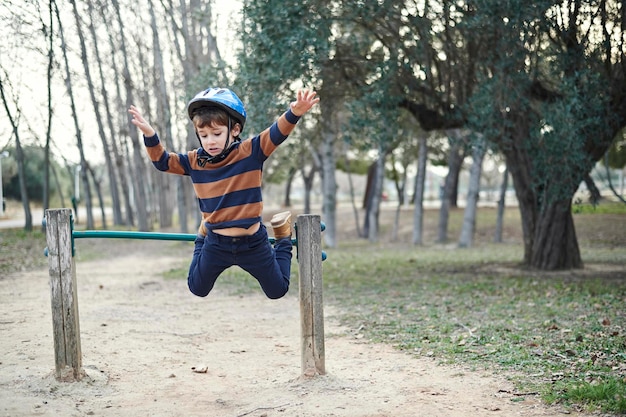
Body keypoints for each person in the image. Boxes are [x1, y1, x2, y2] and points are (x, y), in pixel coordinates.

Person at [129, 88, 319, 299]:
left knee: (278, 290)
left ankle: (282, 236)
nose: (210, 141)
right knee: (197, 288)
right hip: (216, 242)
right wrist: (150, 135)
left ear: (235, 129)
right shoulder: (195, 161)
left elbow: (276, 133)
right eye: (203, 135)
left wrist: (295, 112)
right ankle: (201, 235)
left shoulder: (251, 152)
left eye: (217, 134)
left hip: (253, 242)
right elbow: (163, 162)